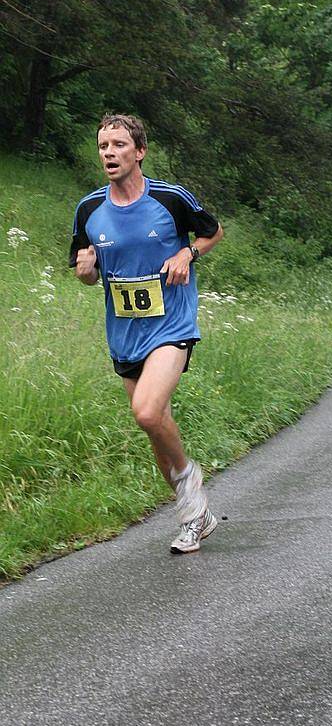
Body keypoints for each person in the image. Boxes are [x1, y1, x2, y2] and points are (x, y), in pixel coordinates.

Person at [69, 114, 223, 553]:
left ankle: (190, 483)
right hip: (124, 334)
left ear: (139, 152)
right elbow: (88, 272)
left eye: (118, 145)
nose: (109, 153)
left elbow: (213, 232)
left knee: (148, 412)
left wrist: (187, 254)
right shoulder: (88, 209)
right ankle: (195, 517)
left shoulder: (170, 198)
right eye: (103, 146)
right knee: (155, 425)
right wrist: (86, 271)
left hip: (171, 324)